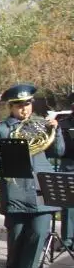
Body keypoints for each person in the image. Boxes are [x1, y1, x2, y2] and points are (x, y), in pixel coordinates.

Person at [0, 84, 64, 268]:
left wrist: (55, 131)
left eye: (28, 104)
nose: (25, 109)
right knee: (17, 234)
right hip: (17, 188)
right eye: (20, 106)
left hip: (42, 187)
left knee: (39, 233)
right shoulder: (1, 129)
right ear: (11, 107)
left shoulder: (41, 125)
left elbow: (58, 151)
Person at [58, 92, 74, 251]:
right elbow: (59, 150)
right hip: (69, 169)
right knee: (69, 207)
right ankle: (67, 240)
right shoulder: (64, 124)